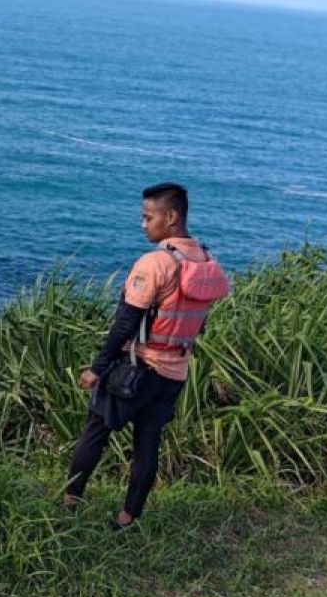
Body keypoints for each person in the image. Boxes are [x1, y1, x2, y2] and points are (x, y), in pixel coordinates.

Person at [64, 182, 229, 529]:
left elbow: (126, 321)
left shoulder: (156, 262)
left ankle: (69, 502)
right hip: (175, 372)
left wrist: (97, 368)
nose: (143, 225)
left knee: (95, 429)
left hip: (138, 367)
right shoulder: (205, 261)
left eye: (147, 217)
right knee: (147, 442)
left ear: (170, 216)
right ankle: (127, 519)